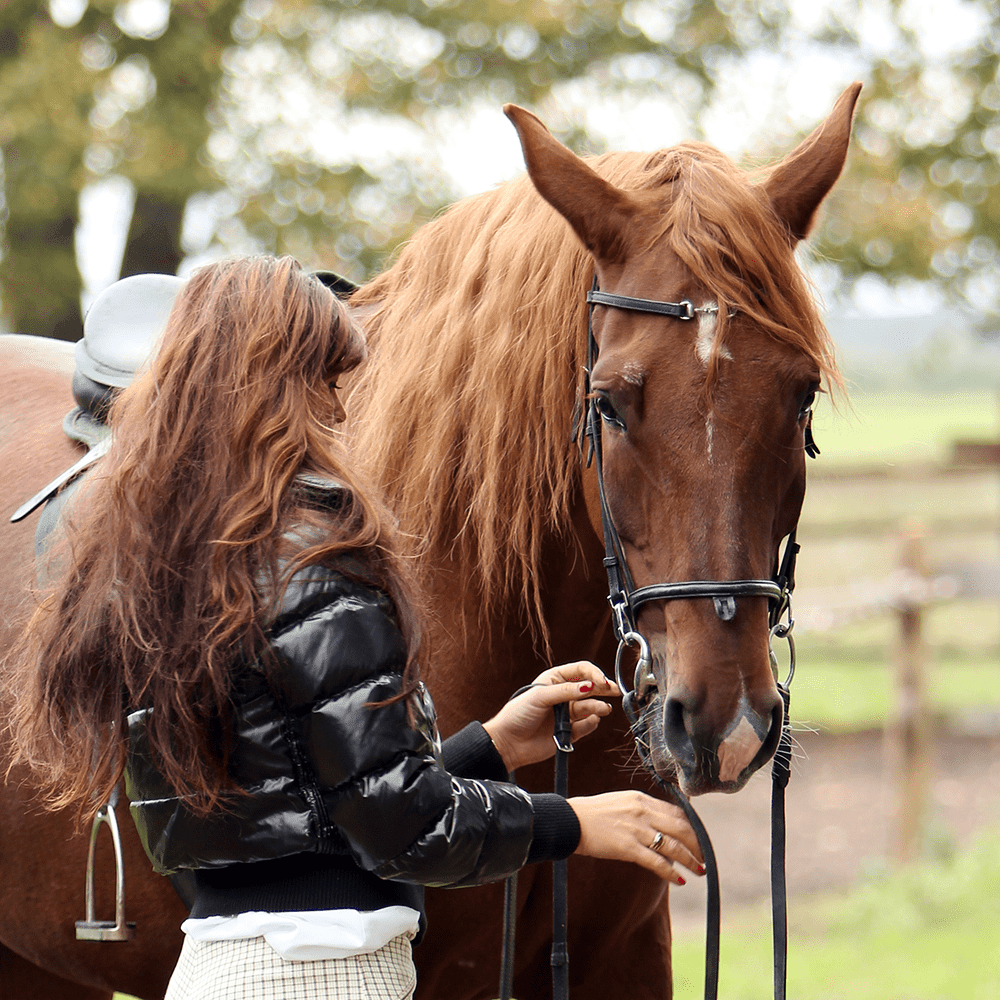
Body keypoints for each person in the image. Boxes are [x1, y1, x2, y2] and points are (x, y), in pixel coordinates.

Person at [5, 255, 703, 1000]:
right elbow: (399, 826)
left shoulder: (182, 568)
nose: (341, 413)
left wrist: (493, 743)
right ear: (272, 392)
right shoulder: (316, 565)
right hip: (324, 975)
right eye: (328, 384)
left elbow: (304, 814)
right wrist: (575, 821)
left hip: (224, 968)